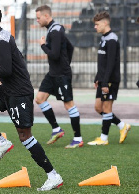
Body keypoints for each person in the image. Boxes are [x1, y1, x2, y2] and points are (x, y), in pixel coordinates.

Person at [0, 6, 63, 191]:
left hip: (19, 92)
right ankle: (1, 141)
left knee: (25, 136)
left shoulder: (1, 40)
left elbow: (6, 70)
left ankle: (53, 175)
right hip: (8, 89)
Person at [35, 5, 83, 148]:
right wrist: (65, 62)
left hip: (61, 75)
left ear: (46, 16)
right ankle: (56, 129)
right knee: (39, 99)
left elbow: (54, 54)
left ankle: (78, 138)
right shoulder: (54, 29)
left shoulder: (55, 31)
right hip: (53, 73)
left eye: (38, 18)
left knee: (69, 105)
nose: (37, 20)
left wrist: (43, 46)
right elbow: (70, 47)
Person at [88, 11, 131, 145]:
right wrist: (98, 78)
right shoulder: (104, 37)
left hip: (110, 80)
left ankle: (104, 138)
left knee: (106, 108)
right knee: (98, 107)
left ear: (105, 23)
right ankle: (122, 125)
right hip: (103, 79)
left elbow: (111, 63)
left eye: (97, 24)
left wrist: (105, 82)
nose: (95, 27)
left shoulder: (112, 39)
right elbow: (103, 61)